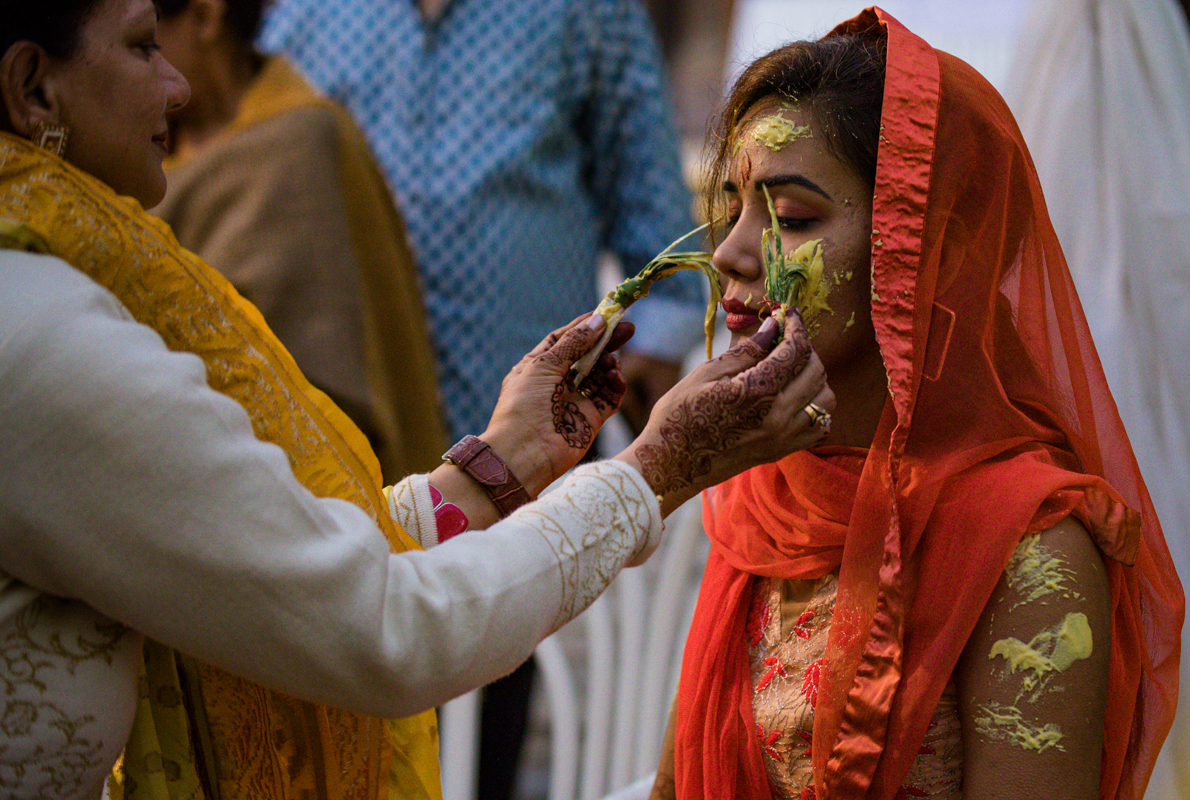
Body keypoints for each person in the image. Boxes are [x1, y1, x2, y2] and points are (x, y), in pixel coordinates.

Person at [0, 0, 835, 798]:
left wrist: (495, 466)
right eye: (144, 45)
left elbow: (288, 555)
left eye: (789, 215)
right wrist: (657, 470)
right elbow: (375, 622)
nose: (177, 83)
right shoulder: (41, 338)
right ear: (34, 85)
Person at [648, 8, 1183, 800]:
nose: (727, 253)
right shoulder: (766, 491)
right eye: (732, 209)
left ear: (926, 249)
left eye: (790, 218)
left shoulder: (1028, 553)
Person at [258, 2, 711, 792]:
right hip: (333, 472)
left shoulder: (586, 14)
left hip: (517, 487)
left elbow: (664, 249)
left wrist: (644, 359)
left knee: (480, 748)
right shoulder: (299, 12)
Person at [258, 0, 707, 442]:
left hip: (535, 425)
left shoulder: (587, 10)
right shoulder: (302, 14)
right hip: (358, 413)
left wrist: (657, 336)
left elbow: (646, 178)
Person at [152, 0, 446, 482]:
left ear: (206, 15)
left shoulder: (299, 145)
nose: (140, 70)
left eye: (144, 43)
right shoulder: (139, 158)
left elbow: (323, 386)